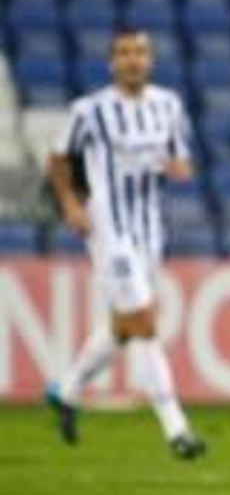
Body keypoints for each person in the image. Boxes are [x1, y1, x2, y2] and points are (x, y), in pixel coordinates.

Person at [44, 29, 206, 459]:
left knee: (123, 327)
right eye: (124, 53)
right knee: (145, 322)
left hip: (149, 231)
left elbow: (181, 157)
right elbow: (57, 159)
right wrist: (70, 204)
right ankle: (177, 429)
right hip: (109, 232)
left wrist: (179, 167)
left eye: (140, 52)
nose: (133, 60)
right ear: (112, 61)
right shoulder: (90, 111)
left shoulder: (167, 106)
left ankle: (67, 389)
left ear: (150, 60)